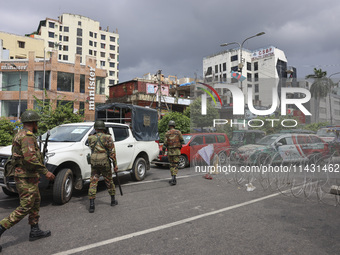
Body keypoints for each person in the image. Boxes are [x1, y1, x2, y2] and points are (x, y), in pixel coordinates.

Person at [0, 110, 55, 252]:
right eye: (37, 122)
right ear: (34, 123)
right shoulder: (27, 137)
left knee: (36, 202)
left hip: (29, 176)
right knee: (25, 207)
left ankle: (34, 230)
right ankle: (1, 227)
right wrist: (46, 172)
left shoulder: (21, 134)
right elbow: (30, 158)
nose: (37, 125)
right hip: (25, 177)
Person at [87, 120, 118, 213]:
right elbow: (112, 152)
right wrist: (115, 165)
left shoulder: (90, 138)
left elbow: (91, 147)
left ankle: (92, 205)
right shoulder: (108, 137)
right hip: (105, 163)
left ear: (95, 128)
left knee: (93, 182)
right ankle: (113, 200)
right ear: (103, 128)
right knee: (109, 181)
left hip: (95, 163)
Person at [162, 120, 184, 186]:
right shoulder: (178, 132)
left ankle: (173, 178)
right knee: (175, 165)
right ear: (174, 125)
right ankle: (174, 178)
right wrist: (179, 148)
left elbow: (164, 145)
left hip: (170, 152)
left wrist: (163, 153)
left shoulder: (167, 133)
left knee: (171, 165)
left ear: (169, 126)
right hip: (177, 152)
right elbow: (182, 142)